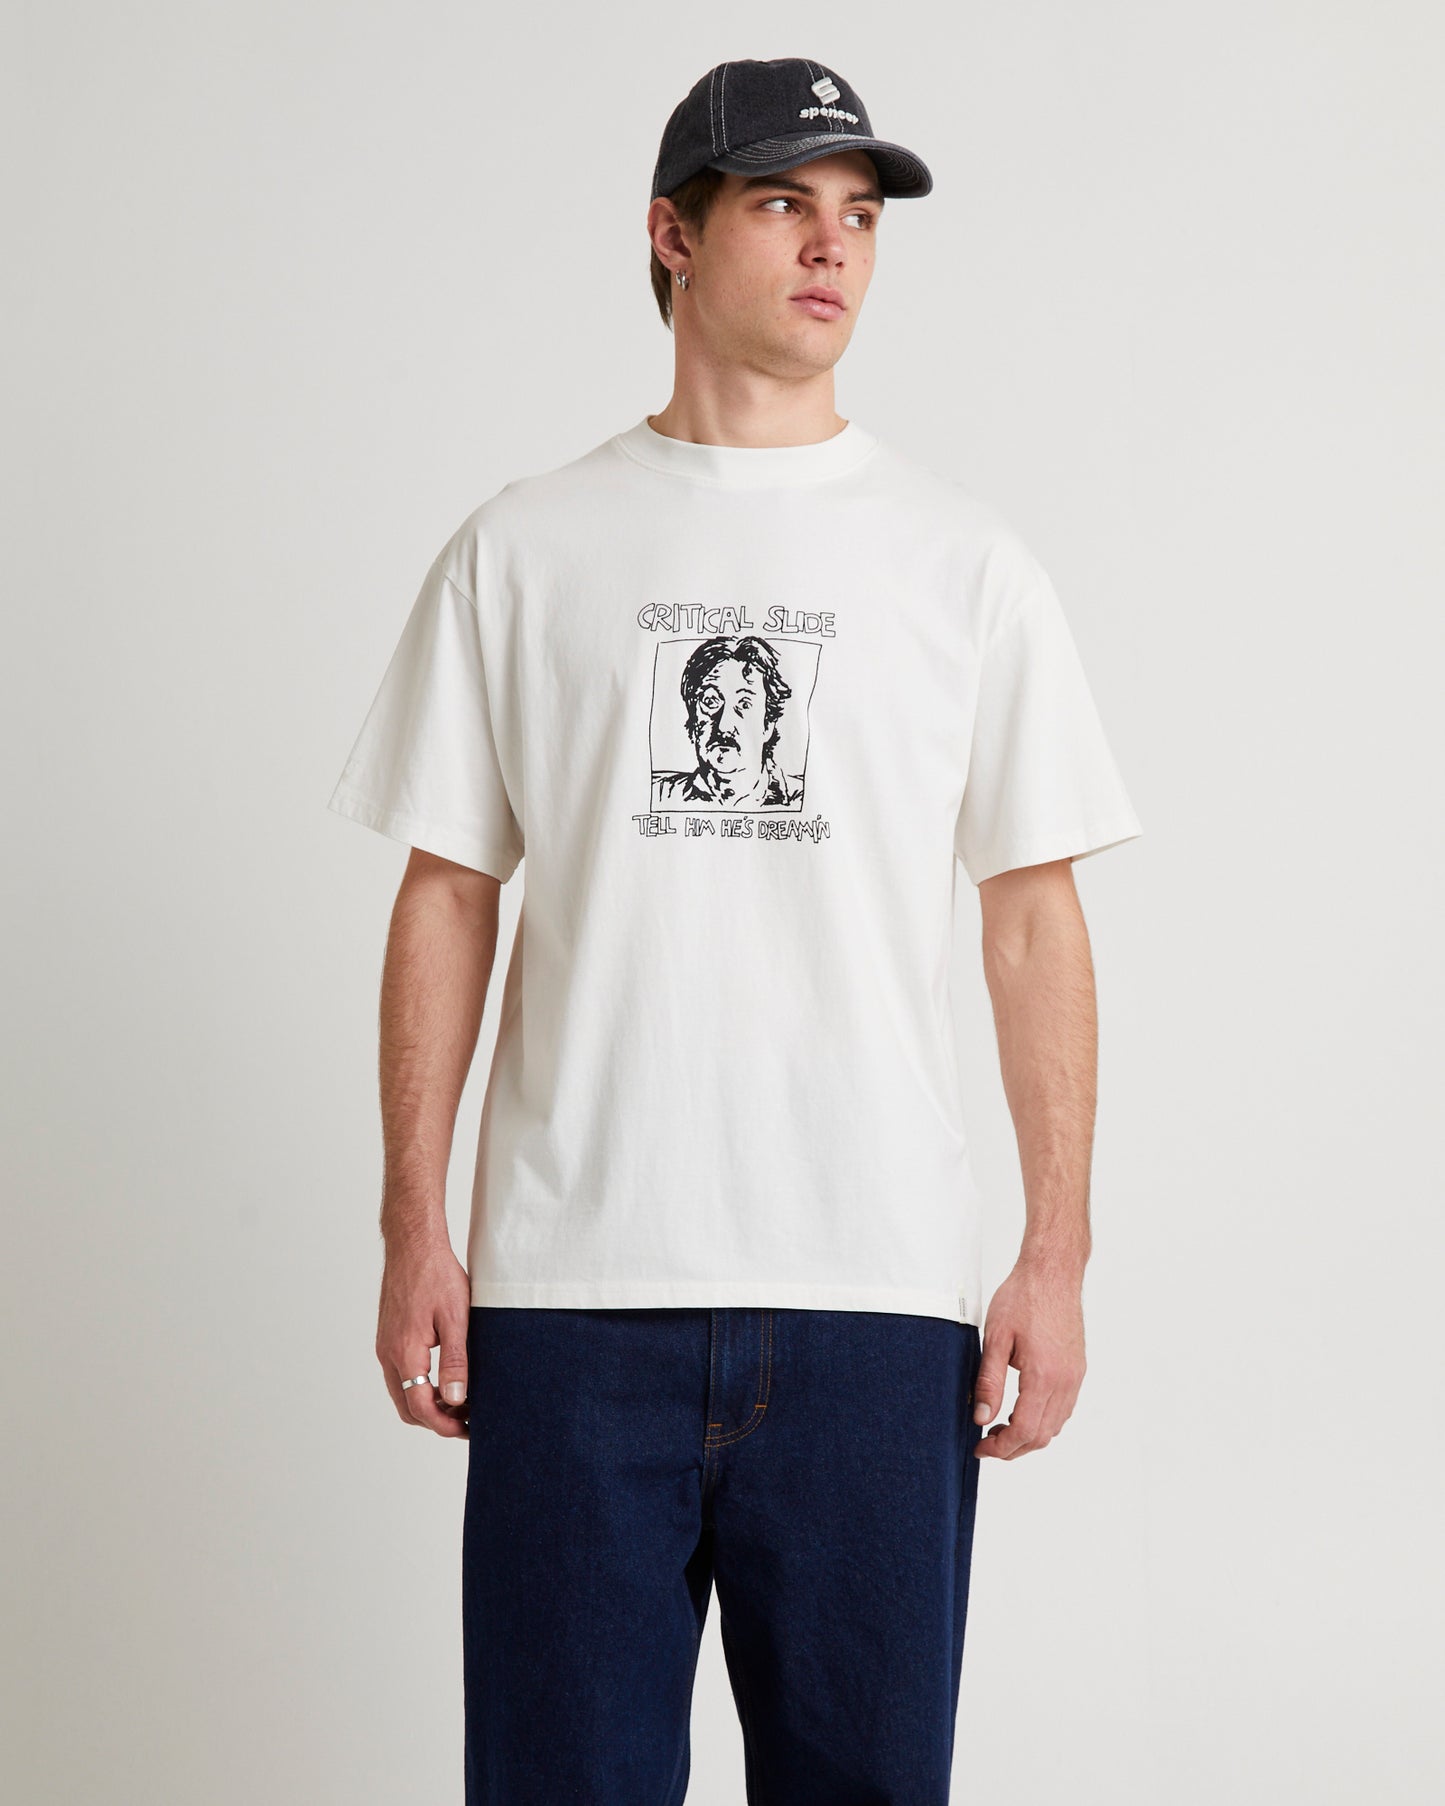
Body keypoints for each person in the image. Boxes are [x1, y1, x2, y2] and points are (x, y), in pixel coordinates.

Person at [327, 54, 1143, 1806]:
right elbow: (448, 893)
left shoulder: (963, 565)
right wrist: (414, 1220)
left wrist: (1055, 1251)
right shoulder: (524, 549)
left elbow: (1030, 921)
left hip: (875, 1305)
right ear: (671, 236)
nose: (832, 245)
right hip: (572, 1301)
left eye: (857, 214)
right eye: (781, 202)